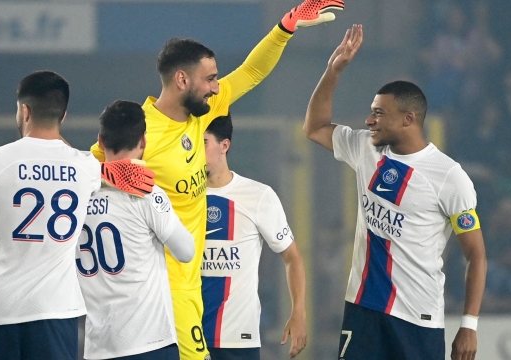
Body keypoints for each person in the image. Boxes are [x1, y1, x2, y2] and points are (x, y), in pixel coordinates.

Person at [89, 1, 344, 359]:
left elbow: (252, 72)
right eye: (208, 78)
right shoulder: (142, 131)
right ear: (182, 80)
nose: (215, 87)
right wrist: (105, 172)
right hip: (163, 290)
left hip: (191, 286)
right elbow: (80, 166)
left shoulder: (203, 113)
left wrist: (284, 27)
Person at [0, 71, 149, 360]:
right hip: (57, 311)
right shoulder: (86, 167)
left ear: (24, 110)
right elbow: (137, 177)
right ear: (63, 115)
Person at [303, 25, 487, 360]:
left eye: (378, 113)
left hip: (418, 318)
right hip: (363, 309)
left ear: (408, 119)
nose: (369, 120)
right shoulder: (364, 149)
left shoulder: (449, 177)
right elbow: (314, 127)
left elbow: (477, 255)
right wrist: (333, 71)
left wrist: (469, 325)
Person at [76, 100, 195, 360]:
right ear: (143, 141)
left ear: (101, 140)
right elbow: (186, 251)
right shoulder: (146, 193)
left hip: (98, 348)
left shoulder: (76, 194)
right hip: (149, 343)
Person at [200, 114, 307, 360]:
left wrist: (298, 312)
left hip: (238, 338)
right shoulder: (178, 196)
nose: (194, 149)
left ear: (224, 145)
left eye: (203, 141)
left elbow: (292, 257)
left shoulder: (258, 195)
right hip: (186, 335)